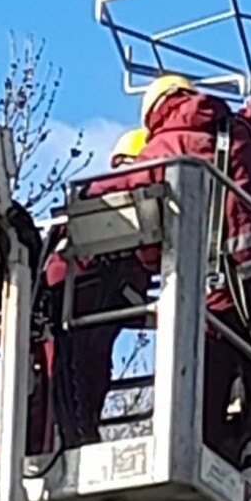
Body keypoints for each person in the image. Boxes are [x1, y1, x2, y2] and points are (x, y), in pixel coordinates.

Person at [88, 15, 251, 498]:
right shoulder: (244, 129)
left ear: (155, 114)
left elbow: (121, 219)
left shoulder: (158, 154)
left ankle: (207, 482)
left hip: (212, 300)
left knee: (201, 396)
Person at [29, 129, 150, 452]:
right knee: (54, 394)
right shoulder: (125, 204)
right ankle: (67, 446)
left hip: (77, 320)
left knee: (43, 395)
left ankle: (66, 444)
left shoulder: (97, 200)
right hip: (73, 320)